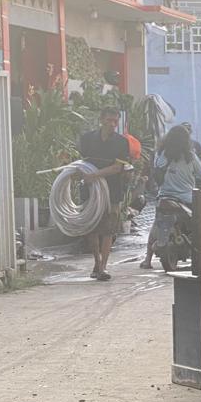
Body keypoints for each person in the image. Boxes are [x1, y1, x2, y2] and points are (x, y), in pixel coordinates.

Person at [142, 124, 201, 270]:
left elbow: (155, 172)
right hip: (187, 199)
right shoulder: (190, 157)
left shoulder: (161, 154)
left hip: (164, 197)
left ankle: (147, 259)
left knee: (156, 225)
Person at [77, 105, 131, 280]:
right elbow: (79, 162)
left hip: (112, 191)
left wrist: (96, 175)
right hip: (90, 191)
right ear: (101, 120)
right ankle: (97, 262)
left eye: (115, 121)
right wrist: (85, 176)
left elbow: (117, 167)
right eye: (109, 120)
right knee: (92, 228)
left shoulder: (122, 142)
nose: (112, 124)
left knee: (108, 229)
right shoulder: (87, 139)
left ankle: (103, 266)